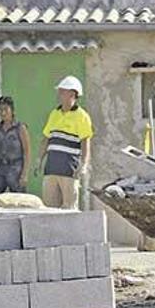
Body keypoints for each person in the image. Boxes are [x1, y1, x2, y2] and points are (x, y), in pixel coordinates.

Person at [37, 76, 93, 209]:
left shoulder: (82, 116)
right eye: (60, 91)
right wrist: (39, 158)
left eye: (62, 92)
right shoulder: (54, 114)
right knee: (49, 208)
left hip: (69, 170)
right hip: (51, 169)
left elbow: (86, 142)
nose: (59, 95)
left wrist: (84, 164)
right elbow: (46, 138)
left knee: (69, 208)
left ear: (72, 94)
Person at [0, 96, 31, 205]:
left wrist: (24, 174)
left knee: (19, 200)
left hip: (15, 167)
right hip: (0, 167)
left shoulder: (20, 128)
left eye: (5, 109)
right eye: (0, 110)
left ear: (12, 110)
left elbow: (27, 152)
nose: (3, 113)